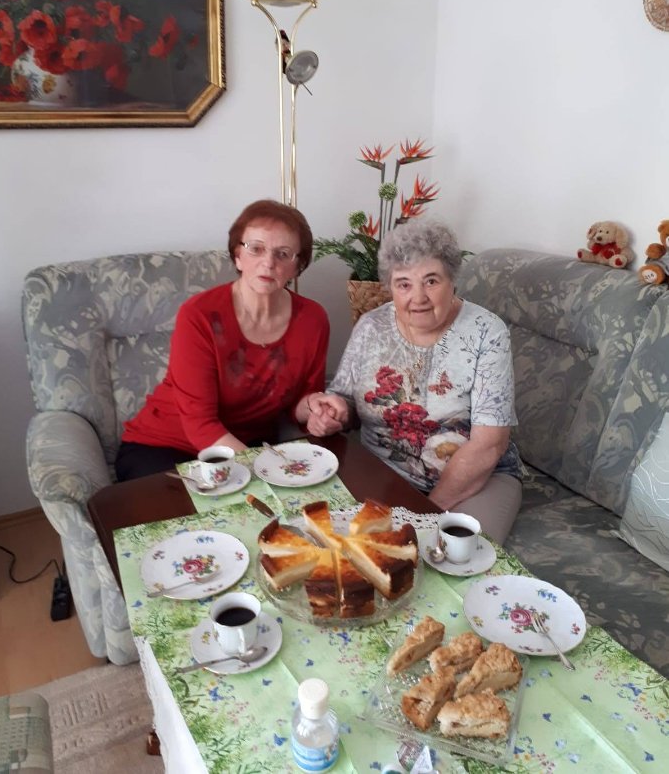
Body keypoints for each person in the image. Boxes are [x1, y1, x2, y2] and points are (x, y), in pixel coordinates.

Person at [307, 219, 523, 544]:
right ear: (390, 287)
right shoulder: (371, 327)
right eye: (404, 284)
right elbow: (345, 400)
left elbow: (489, 444)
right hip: (384, 472)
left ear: (452, 280)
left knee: (453, 553)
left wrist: (422, 515)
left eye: (431, 281)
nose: (418, 297)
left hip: (476, 480)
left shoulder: (486, 332)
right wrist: (334, 412)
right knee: (334, 542)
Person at [115, 199, 330, 481]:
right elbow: (199, 423)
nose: (268, 263)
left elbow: (300, 403)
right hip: (164, 447)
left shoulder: (313, 320)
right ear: (237, 255)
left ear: (297, 266)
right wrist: (267, 473)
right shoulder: (199, 315)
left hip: (245, 446)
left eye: (283, 254)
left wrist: (317, 409)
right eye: (256, 249)